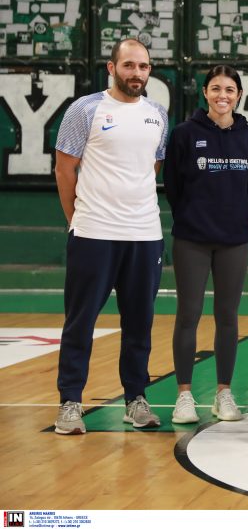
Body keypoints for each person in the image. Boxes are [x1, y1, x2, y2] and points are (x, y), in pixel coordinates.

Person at [53, 38, 168, 434]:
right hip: (94, 232)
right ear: (112, 67)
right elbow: (64, 169)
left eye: (143, 66)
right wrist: (77, 218)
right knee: (80, 321)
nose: (137, 73)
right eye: (129, 65)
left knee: (139, 323)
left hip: (145, 234)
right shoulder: (84, 109)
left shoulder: (157, 114)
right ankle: (70, 401)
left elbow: (151, 167)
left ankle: (136, 399)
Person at [163, 66, 248, 425]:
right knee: (188, 314)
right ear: (205, 92)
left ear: (239, 95)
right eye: (216, 89)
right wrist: (194, 217)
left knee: (227, 316)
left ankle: (224, 393)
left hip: (234, 240)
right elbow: (172, 185)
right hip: (191, 239)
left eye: (230, 90)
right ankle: (184, 396)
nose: (223, 95)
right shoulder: (184, 134)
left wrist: (234, 217)